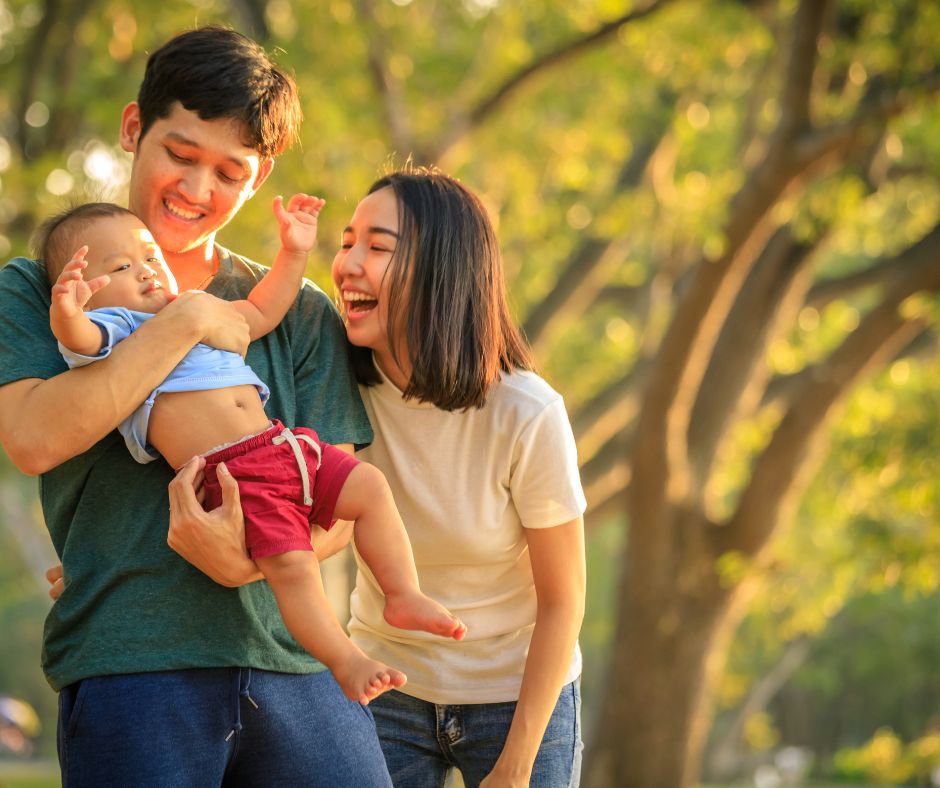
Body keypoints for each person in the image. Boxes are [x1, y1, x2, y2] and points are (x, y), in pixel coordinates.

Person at [0, 25, 394, 787]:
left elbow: (341, 504)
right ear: (131, 129)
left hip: (296, 661)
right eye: (179, 155)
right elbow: (34, 439)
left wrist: (250, 564)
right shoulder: (43, 287)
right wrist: (181, 321)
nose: (196, 190)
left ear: (260, 175)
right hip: (132, 665)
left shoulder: (297, 312)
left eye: (228, 171)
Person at [168, 167, 587, 787]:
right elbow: (231, 450)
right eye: (346, 242)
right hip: (384, 684)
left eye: (379, 247)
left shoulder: (526, 412)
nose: (347, 265)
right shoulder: (334, 384)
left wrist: (517, 766)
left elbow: (563, 600)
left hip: (517, 697)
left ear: (443, 269)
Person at [38, 200, 466, 704]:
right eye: (121, 267)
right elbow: (80, 339)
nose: (147, 272)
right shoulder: (120, 330)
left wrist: (293, 251)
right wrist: (67, 309)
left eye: (151, 258)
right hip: (235, 476)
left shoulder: (194, 307)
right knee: (293, 566)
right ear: (93, 291)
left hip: (283, 446)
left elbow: (263, 309)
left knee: (370, 486)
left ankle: (401, 593)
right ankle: (344, 660)